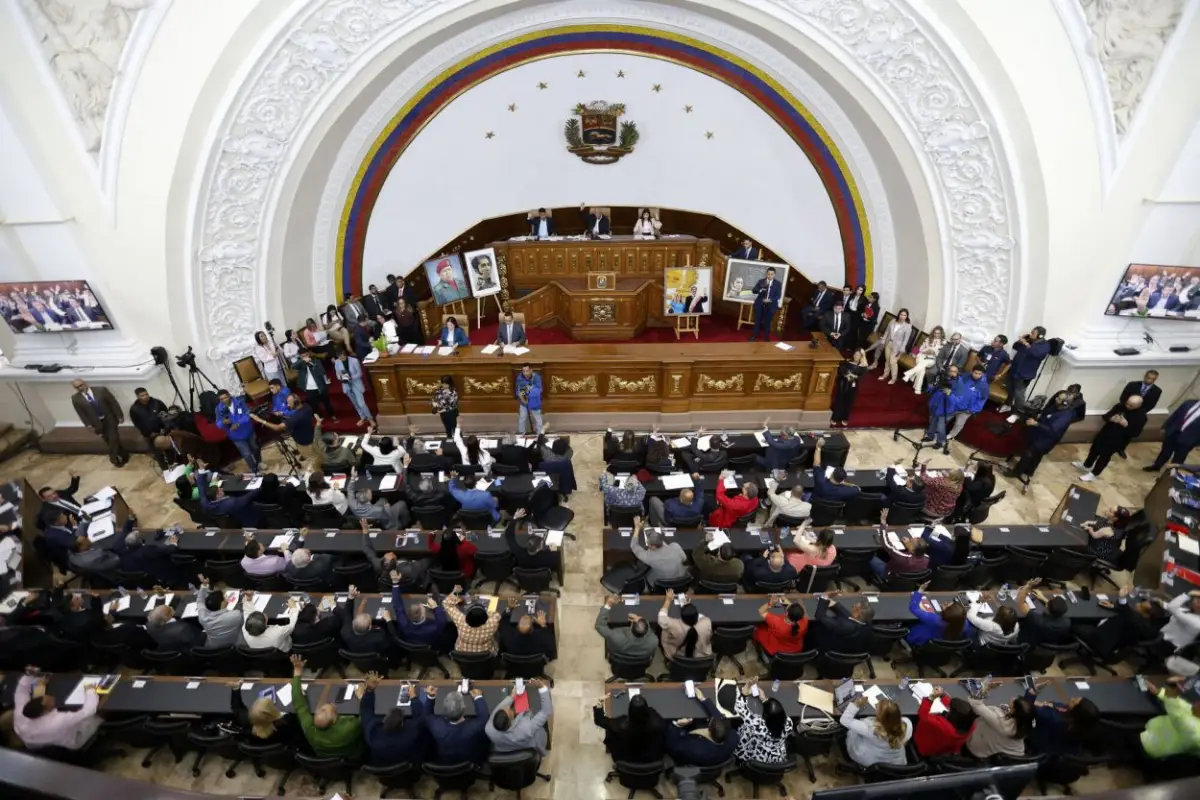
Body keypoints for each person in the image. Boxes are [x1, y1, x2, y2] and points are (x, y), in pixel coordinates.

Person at [289, 655, 364, 758]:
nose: (330, 704)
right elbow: (364, 716)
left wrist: (297, 672)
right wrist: (361, 697)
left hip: (325, 759)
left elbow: (298, 703)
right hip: (352, 757)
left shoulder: (310, 730)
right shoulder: (349, 728)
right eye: (332, 707)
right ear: (334, 720)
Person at [14, 668, 102, 751]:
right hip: (74, 737)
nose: (51, 697)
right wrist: (90, 690)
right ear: (47, 710)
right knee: (97, 711)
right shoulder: (57, 721)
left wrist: (29, 674)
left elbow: (21, 689)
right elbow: (88, 711)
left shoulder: (20, 714)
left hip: (43, 742)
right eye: (49, 700)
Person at [1071, 395, 1146, 482]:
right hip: (1105, 433)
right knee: (1094, 449)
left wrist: (1126, 425)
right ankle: (1087, 465)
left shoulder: (1141, 417)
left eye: (1131, 406)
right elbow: (1106, 416)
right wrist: (1111, 418)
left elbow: (1135, 433)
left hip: (1117, 440)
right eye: (1127, 404)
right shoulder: (1119, 406)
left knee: (1104, 456)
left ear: (1138, 405)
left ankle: (1094, 474)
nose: (1127, 406)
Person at [359, 673, 429, 766]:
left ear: (383, 720)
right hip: (409, 769)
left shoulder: (372, 733)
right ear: (402, 724)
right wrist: (413, 697)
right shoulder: (412, 733)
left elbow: (365, 709)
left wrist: (369, 690)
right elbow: (422, 716)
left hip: (383, 771)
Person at [665, 686, 739, 767]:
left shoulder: (693, 747)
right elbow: (720, 720)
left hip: (696, 762)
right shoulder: (734, 738)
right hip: (717, 758)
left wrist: (677, 725)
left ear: (709, 729)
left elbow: (673, 745)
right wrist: (703, 699)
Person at [1011, 393, 1077, 483]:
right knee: (1036, 456)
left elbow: (1052, 431)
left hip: (1044, 440)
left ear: (1065, 403)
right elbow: (1047, 415)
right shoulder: (1057, 407)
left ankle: (1016, 472)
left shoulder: (1064, 416)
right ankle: (1029, 471)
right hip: (1039, 434)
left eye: (1059, 398)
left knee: (1028, 454)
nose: (1056, 399)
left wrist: (1036, 424)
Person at [1136, 677, 1200, 761]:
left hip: (1151, 745)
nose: (1196, 702)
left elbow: (1171, 699)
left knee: (1124, 725)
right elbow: (1180, 704)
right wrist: (1157, 691)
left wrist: (1180, 686)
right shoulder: (1194, 713)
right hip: (1157, 729)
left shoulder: (1191, 729)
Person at [69, 379, 127, 467]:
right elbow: (81, 413)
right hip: (96, 423)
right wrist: (88, 425)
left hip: (109, 418)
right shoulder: (75, 398)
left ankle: (113, 458)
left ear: (85, 383)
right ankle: (124, 454)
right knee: (109, 440)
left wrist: (120, 415)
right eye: (77, 387)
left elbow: (113, 402)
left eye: (81, 385)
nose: (80, 388)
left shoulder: (101, 390)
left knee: (113, 438)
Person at [486, 679, 553, 755]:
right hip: (529, 745)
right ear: (511, 721)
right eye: (509, 711)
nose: (508, 707)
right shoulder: (526, 728)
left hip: (505, 749)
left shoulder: (488, 729)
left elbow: (494, 713)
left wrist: (512, 697)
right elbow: (546, 711)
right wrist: (542, 688)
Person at [593, 693, 666, 762]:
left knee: (610, 732)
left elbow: (600, 720)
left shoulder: (619, 725)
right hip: (652, 759)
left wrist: (599, 703)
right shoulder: (658, 722)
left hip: (625, 759)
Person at [842, 696, 912, 767]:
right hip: (896, 763)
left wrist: (856, 705)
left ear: (881, 718)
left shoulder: (872, 729)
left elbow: (845, 720)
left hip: (872, 760)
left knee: (852, 732)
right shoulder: (907, 724)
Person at [965, 690, 1034, 759]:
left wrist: (986, 688)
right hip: (1014, 755)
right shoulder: (1026, 724)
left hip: (979, 754)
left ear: (1014, 711)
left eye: (1015, 701)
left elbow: (975, 704)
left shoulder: (1000, 723)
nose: (1013, 698)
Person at [734, 686, 794, 763]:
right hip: (776, 758)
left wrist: (744, 694)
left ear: (765, 716)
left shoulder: (758, 726)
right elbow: (774, 716)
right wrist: (764, 700)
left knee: (744, 729)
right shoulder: (789, 723)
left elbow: (740, 708)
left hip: (757, 757)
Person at [914, 688, 976, 758]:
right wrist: (943, 695)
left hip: (926, 746)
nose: (948, 708)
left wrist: (931, 698)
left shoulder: (942, 726)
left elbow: (923, 715)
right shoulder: (970, 724)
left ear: (953, 716)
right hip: (944, 749)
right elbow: (957, 710)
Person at [1001, 326, 1051, 412]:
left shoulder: (1045, 345)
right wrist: (1021, 340)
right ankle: (1007, 404)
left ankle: (1017, 413)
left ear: (1040, 336)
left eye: (1033, 333)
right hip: (1015, 370)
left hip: (1024, 374)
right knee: (1010, 388)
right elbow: (1015, 346)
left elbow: (1036, 354)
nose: (1030, 334)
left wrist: (1026, 344)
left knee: (1019, 394)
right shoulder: (1028, 340)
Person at [595, 596, 659, 661]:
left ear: (631, 627)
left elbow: (600, 626)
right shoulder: (654, 641)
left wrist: (608, 605)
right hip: (639, 663)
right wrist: (642, 621)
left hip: (618, 660)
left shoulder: (615, 637)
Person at [907, 585, 973, 647]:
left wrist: (920, 591)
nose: (946, 604)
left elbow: (914, 608)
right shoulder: (965, 624)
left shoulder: (934, 619)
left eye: (947, 606)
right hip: (940, 646)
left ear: (946, 614)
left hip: (919, 641)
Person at [1145, 398, 1200, 472]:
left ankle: (1169, 475)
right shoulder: (1189, 403)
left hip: (1188, 439)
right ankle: (1156, 466)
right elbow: (1175, 415)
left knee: (1179, 458)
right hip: (1173, 432)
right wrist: (1165, 427)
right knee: (1165, 452)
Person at [807, 593, 874, 653]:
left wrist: (824, 597)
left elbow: (820, 617)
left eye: (855, 607)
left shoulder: (844, 625)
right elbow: (849, 616)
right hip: (850, 646)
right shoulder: (866, 623)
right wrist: (834, 604)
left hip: (832, 647)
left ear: (858, 615)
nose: (852, 606)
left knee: (813, 626)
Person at [215, 388, 261, 473]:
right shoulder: (218, 409)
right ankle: (254, 469)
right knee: (246, 454)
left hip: (248, 431)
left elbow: (247, 415)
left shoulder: (240, 402)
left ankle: (259, 462)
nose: (224, 400)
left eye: (225, 398)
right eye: (221, 399)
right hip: (236, 436)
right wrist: (223, 422)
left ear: (229, 396)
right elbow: (218, 424)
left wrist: (237, 423)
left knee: (256, 448)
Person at [658, 589, 712, 660]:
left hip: (677, 658)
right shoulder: (706, 622)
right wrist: (687, 606)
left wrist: (668, 600)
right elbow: (701, 616)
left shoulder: (674, 625)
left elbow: (661, 617)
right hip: (700, 658)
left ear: (682, 617)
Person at [1117, 370, 1160, 458]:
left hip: (1138, 415)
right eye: (1148, 378)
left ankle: (1121, 448)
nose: (1150, 381)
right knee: (1117, 429)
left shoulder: (1157, 391)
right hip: (1125, 410)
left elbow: (1152, 404)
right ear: (1145, 376)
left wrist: (1140, 412)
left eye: (1153, 379)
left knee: (1129, 432)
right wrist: (1127, 407)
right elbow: (1123, 397)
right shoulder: (1132, 385)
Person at [631, 521, 689, 587]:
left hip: (660, 583)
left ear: (653, 546)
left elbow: (634, 546)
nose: (647, 543)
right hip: (680, 581)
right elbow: (684, 558)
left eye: (648, 543)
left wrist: (637, 528)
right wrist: (645, 526)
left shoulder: (650, 557)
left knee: (640, 564)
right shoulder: (675, 546)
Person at [442, 586, 500, 652]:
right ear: (486, 619)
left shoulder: (461, 620)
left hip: (462, 653)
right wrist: (489, 609)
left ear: (466, 617)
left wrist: (456, 592)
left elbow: (446, 604)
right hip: (486, 654)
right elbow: (495, 614)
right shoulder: (492, 623)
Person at [945, 363, 990, 444]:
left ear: (982, 374)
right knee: (945, 418)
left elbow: (982, 400)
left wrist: (972, 410)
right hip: (955, 405)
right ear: (972, 372)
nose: (977, 375)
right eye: (975, 373)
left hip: (966, 410)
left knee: (959, 424)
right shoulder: (964, 376)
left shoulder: (984, 386)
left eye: (979, 374)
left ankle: (951, 435)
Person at [195, 575, 243, 648]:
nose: (226, 598)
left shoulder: (203, 617)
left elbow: (200, 601)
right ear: (222, 603)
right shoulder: (235, 615)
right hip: (234, 645)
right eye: (224, 597)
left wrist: (204, 585)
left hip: (213, 648)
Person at [868, 308, 914, 384]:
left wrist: (902, 349)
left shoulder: (908, 327)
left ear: (907, 316)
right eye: (901, 314)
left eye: (904, 315)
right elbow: (887, 331)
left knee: (893, 362)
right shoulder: (893, 321)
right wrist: (883, 340)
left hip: (897, 347)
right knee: (887, 360)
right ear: (899, 314)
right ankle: (885, 374)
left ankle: (894, 378)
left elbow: (906, 340)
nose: (902, 316)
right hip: (888, 343)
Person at [129, 387, 170, 468]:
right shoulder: (134, 409)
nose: (145, 396)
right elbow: (138, 424)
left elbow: (166, 414)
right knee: (158, 454)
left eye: (146, 394)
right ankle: (165, 469)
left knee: (169, 450)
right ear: (138, 397)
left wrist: (166, 428)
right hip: (149, 435)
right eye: (142, 395)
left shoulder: (157, 403)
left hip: (163, 432)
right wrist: (148, 434)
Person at [333, 350, 372, 426]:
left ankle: (370, 419)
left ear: (345, 355)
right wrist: (341, 378)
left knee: (361, 403)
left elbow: (359, 374)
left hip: (356, 384)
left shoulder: (354, 361)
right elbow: (337, 374)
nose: (341, 359)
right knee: (355, 404)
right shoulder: (337, 362)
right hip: (346, 385)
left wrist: (350, 377)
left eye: (342, 357)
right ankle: (363, 417)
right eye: (339, 358)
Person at [830, 349, 869, 426]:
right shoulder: (848, 362)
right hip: (843, 384)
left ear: (861, 356)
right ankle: (835, 418)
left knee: (848, 402)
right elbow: (841, 370)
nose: (855, 356)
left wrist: (853, 377)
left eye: (858, 355)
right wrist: (847, 375)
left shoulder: (863, 366)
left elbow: (862, 376)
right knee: (839, 401)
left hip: (853, 386)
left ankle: (844, 418)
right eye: (855, 354)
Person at [902, 326, 945, 394]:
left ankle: (909, 374)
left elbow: (941, 355)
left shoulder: (943, 343)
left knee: (923, 365)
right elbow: (920, 349)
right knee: (922, 370)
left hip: (931, 359)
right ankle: (917, 388)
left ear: (941, 334)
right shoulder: (928, 339)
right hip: (921, 356)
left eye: (938, 333)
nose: (936, 335)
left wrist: (934, 352)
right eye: (935, 333)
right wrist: (925, 351)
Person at [295, 350, 336, 419]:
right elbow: (293, 366)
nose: (305, 357)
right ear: (300, 357)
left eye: (306, 355)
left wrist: (312, 365)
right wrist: (302, 361)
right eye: (303, 356)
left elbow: (322, 372)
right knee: (314, 405)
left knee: (327, 402)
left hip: (320, 386)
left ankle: (332, 415)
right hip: (309, 388)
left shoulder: (316, 361)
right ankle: (319, 417)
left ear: (308, 354)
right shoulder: (300, 364)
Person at [747, 266, 782, 342]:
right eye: (768, 274)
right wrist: (760, 290)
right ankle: (754, 336)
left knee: (768, 321)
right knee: (758, 320)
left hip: (771, 305)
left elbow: (778, 296)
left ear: (774, 275)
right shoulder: (761, 281)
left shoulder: (778, 284)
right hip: (760, 303)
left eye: (772, 274)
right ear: (766, 274)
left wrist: (770, 300)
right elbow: (754, 290)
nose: (770, 276)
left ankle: (766, 337)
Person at [515, 363, 543, 434]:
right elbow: (519, 391)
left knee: (538, 419)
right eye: (523, 371)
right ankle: (522, 433)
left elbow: (539, 390)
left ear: (531, 370)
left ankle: (539, 434)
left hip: (535, 402)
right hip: (523, 403)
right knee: (522, 418)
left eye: (527, 371)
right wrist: (523, 400)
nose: (525, 373)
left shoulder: (536, 377)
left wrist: (528, 392)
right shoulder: (520, 378)